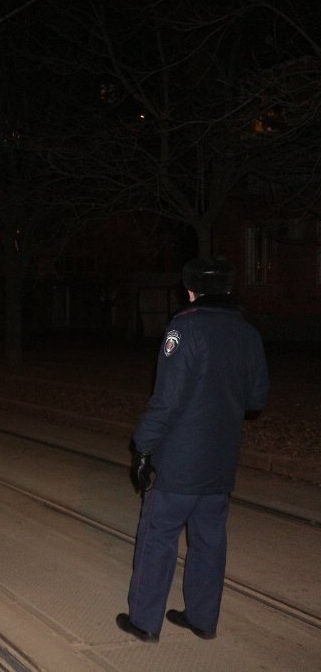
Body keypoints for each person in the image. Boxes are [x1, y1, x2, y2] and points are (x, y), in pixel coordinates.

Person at [117, 258, 268, 642]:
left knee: (158, 537)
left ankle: (144, 621)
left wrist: (143, 446)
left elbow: (166, 400)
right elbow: (256, 398)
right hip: (221, 460)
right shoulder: (248, 334)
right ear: (229, 290)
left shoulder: (184, 329)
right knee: (209, 541)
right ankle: (202, 619)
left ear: (190, 291)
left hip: (179, 462)